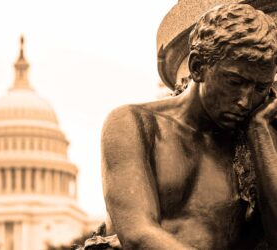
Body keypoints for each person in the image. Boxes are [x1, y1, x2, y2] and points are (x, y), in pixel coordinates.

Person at [100, 3, 277, 249]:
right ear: (196, 67)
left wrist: (260, 132)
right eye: (235, 81)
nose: (245, 102)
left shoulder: (254, 143)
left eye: (260, 88)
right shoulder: (136, 123)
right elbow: (138, 233)